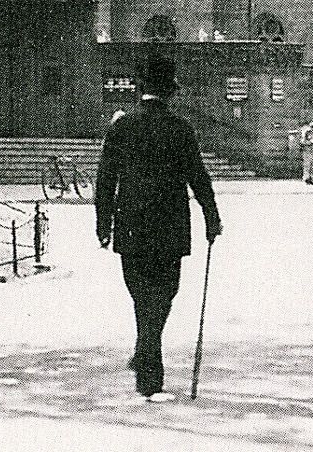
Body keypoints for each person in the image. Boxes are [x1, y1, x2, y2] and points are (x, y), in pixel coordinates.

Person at [94, 54, 222, 401]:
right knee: (166, 291)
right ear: (169, 92)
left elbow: (105, 178)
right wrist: (211, 215)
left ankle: (144, 346)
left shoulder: (121, 126)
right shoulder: (180, 128)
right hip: (170, 224)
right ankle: (150, 361)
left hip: (131, 223)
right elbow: (198, 175)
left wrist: (102, 223)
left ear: (140, 89)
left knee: (140, 293)